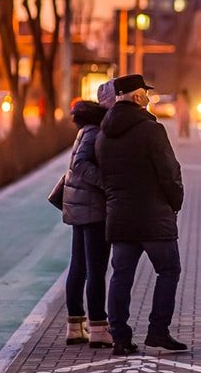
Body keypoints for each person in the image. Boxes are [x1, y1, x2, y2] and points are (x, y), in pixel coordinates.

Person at [96, 74, 186, 356]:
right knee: (168, 270)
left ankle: (120, 337)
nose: (147, 98)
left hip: (120, 216)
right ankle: (158, 331)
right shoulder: (151, 130)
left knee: (121, 276)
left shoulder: (103, 133)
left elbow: (104, 176)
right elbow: (169, 172)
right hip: (153, 215)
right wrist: (175, 202)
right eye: (144, 93)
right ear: (136, 97)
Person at [62, 92, 113, 348]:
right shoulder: (95, 131)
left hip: (80, 207)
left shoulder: (86, 130)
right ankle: (98, 327)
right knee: (95, 269)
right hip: (92, 209)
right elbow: (81, 164)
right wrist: (108, 185)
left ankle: (75, 326)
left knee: (80, 266)